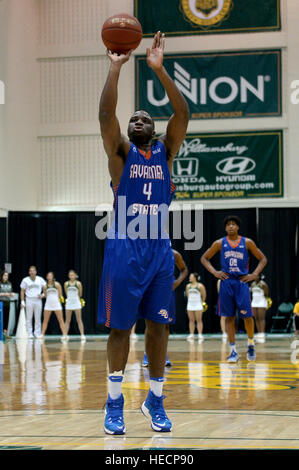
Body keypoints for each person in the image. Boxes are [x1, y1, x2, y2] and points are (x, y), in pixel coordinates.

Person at [97, 31, 189, 435]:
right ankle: (114, 402)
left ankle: (154, 398)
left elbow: (182, 115)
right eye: (133, 118)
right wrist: (115, 68)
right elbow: (105, 118)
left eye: (144, 118)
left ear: (154, 130)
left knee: (160, 325)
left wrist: (160, 70)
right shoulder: (121, 155)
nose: (138, 119)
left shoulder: (167, 152)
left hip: (158, 250)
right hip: (123, 247)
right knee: (121, 328)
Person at [200, 216, 267, 363]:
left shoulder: (247, 242)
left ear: (238, 227)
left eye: (234, 224)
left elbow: (263, 258)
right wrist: (215, 272)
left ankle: (250, 343)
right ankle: (233, 351)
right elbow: (204, 258)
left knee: (247, 316)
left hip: (242, 282)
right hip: (227, 281)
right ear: (225, 228)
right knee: (229, 317)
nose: (231, 226)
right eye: (228, 225)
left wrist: (255, 274)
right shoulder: (219, 243)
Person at [142, 249, 188, 367]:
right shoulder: (149, 252)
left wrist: (177, 282)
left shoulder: (174, 254)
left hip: (167, 292)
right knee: (150, 323)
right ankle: (147, 354)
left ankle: (163, 353)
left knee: (166, 324)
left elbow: (184, 270)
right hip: (152, 290)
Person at [20, 266, 46, 339]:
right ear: (29, 272)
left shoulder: (40, 279)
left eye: (33, 270)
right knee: (29, 318)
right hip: (29, 299)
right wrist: (22, 301)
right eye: (30, 271)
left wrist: (43, 295)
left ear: (36, 272)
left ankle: (37, 333)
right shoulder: (25, 280)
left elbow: (45, 288)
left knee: (38, 318)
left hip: (38, 300)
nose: (32, 272)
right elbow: (22, 291)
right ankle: (29, 333)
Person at [41, 272, 66, 340]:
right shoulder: (45, 286)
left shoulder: (57, 284)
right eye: (48, 275)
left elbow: (60, 295)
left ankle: (64, 334)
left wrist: (59, 302)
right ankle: (42, 334)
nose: (49, 277)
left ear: (53, 277)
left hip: (57, 304)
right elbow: (46, 296)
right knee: (45, 320)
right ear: (46, 277)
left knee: (61, 320)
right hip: (48, 305)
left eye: (50, 276)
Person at [64, 270, 86, 342]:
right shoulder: (66, 284)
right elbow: (66, 293)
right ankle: (65, 335)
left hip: (76, 302)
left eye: (73, 275)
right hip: (69, 303)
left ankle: (82, 335)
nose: (71, 276)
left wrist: (75, 299)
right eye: (70, 275)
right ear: (68, 276)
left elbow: (80, 294)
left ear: (75, 275)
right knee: (67, 320)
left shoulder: (78, 283)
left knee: (79, 320)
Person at [185, 273, 206, 342]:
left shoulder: (200, 286)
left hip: (198, 304)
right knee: (191, 320)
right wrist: (191, 301)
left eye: (191, 277)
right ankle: (191, 334)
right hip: (190, 305)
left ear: (195, 278)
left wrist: (201, 302)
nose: (189, 278)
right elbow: (187, 295)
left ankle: (200, 334)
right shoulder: (188, 286)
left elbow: (204, 295)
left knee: (199, 320)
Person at [250, 274, 269, 343]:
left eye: (257, 276)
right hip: (254, 302)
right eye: (254, 276)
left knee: (261, 318)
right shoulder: (252, 284)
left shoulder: (263, 284)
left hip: (261, 302)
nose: (255, 277)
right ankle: (259, 333)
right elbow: (251, 292)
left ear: (260, 277)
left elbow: (266, 294)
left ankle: (262, 334)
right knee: (256, 318)